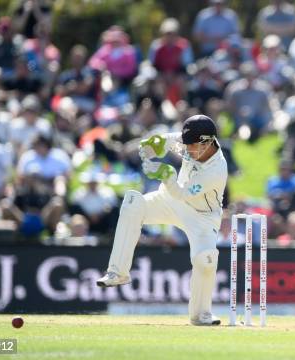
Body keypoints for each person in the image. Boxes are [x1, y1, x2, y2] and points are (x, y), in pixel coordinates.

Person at [97, 115, 228, 326]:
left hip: (201, 216)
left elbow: (182, 193)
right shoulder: (192, 142)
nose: (187, 150)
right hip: (168, 200)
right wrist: (153, 145)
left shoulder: (216, 170)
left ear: (207, 142)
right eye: (186, 144)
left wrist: (166, 174)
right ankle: (118, 272)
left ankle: (201, 314)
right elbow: (167, 140)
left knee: (205, 259)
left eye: (192, 146)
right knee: (132, 202)